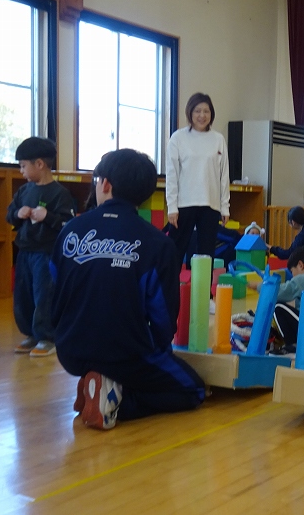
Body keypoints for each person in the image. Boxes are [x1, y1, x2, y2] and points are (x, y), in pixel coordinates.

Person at [51, 149, 206, 430]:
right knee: (193, 389)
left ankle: (96, 381)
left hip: (69, 350)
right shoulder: (158, 243)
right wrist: (158, 351)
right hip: (125, 353)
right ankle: (115, 401)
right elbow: (163, 315)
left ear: (105, 184)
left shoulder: (69, 231)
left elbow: (55, 288)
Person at [7, 137, 74, 357]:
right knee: (23, 295)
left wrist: (48, 216)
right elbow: (10, 215)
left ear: (39, 164)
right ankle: (30, 334)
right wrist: (18, 213)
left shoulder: (60, 194)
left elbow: (68, 224)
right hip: (25, 251)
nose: (21, 171)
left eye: (23, 166)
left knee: (43, 295)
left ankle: (46, 336)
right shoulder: (24, 191)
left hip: (46, 254)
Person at [165, 92, 230, 314]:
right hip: (184, 204)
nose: (202, 115)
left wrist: (225, 206)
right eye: (197, 111)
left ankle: (204, 297)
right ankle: (168, 294)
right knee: (176, 250)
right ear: (190, 113)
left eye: (206, 111)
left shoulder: (218, 139)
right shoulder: (178, 138)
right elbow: (172, 175)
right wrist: (172, 207)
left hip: (210, 205)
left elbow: (223, 175)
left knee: (206, 253)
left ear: (211, 114)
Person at [248, 247, 304, 358]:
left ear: (301, 265)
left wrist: (256, 286)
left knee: (278, 306)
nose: (292, 276)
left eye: (292, 271)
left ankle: (293, 346)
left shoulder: (302, 279)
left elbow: (277, 292)